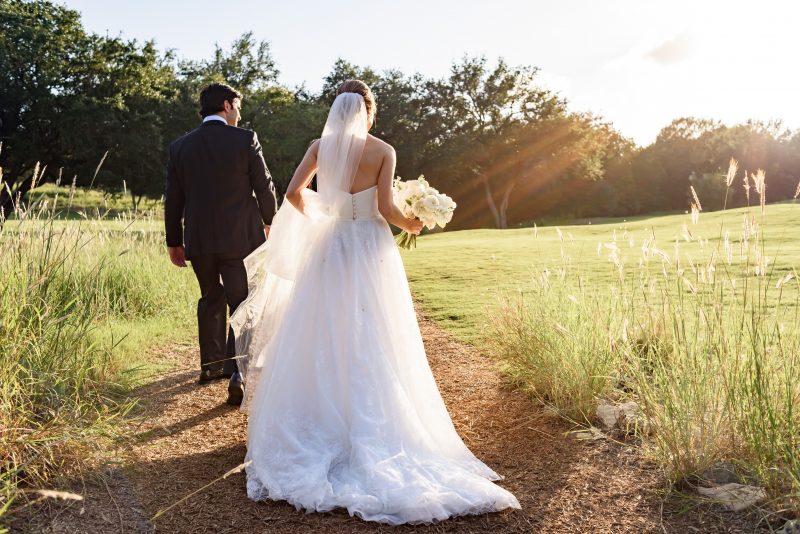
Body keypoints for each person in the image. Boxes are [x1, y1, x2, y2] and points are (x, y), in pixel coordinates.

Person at [231, 80, 520, 524]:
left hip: (330, 245)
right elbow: (385, 208)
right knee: (375, 330)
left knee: (323, 329)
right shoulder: (383, 151)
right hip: (369, 247)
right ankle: (374, 422)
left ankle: (319, 421)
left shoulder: (319, 147)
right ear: (368, 111)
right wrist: (414, 223)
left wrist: (324, 218)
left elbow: (291, 195)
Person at [164, 82, 277, 405]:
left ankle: (211, 366)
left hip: (199, 239)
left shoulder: (180, 147)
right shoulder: (245, 139)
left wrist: (174, 241)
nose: (238, 113)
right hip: (240, 238)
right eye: (237, 107)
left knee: (210, 296)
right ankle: (238, 371)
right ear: (227, 105)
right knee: (242, 300)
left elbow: (173, 199)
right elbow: (264, 185)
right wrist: (271, 221)